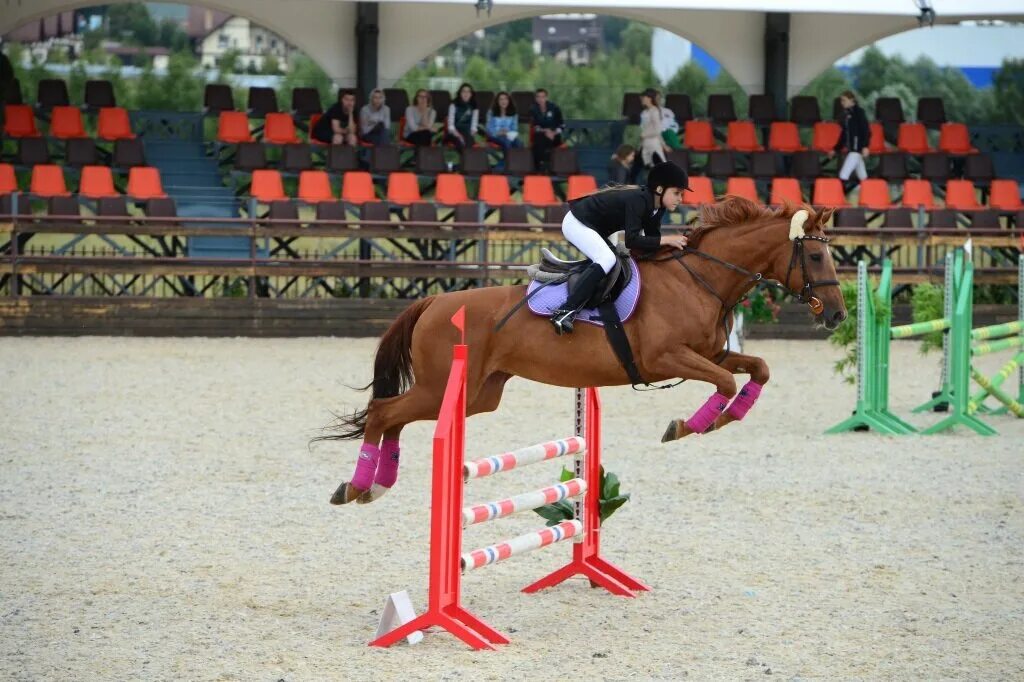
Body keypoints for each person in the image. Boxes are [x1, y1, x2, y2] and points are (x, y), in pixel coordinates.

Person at [549, 161, 691, 335]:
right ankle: (565, 311)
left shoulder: (658, 208)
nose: (680, 199)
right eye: (676, 193)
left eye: (681, 194)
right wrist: (668, 239)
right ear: (660, 189)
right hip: (577, 222)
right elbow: (632, 240)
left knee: (616, 261)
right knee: (606, 259)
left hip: (597, 228)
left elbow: (652, 242)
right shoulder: (639, 200)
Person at [828, 90, 871, 194]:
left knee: (843, 175)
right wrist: (835, 149)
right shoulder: (846, 115)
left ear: (852, 100)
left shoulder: (859, 112)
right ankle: (871, 195)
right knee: (863, 177)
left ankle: (839, 198)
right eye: (841, 101)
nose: (842, 103)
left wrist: (865, 146)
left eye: (844, 100)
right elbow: (844, 134)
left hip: (856, 149)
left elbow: (865, 130)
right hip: (853, 149)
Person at [529, 88, 564, 172]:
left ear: (546, 97)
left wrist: (554, 132)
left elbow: (562, 125)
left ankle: (540, 168)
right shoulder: (533, 109)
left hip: (554, 135)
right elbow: (535, 127)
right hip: (540, 134)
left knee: (542, 144)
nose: (541, 99)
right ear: (536, 98)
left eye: (543, 97)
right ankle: (543, 168)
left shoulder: (555, 108)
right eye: (538, 97)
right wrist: (546, 131)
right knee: (539, 142)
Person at [486, 91, 521, 157]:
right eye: (501, 99)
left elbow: (515, 128)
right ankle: (507, 165)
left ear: (509, 100)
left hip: (508, 135)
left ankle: (506, 164)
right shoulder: (491, 112)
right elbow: (489, 128)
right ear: (497, 101)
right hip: (494, 136)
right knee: (507, 142)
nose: (503, 101)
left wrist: (507, 132)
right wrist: (498, 133)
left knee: (519, 144)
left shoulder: (513, 112)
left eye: (505, 99)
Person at [445, 83, 479, 151]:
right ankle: (466, 160)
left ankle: (467, 160)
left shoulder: (474, 106)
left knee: (469, 142)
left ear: (471, 94)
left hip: (467, 132)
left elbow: (474, 126)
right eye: (463, 91)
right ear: (460, 93)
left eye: (468, 91)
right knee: (461, 143)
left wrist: (471, 133)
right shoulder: (453, 105)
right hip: (454, 132)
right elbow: (450, 126)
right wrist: (458, 135)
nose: (466, 93)